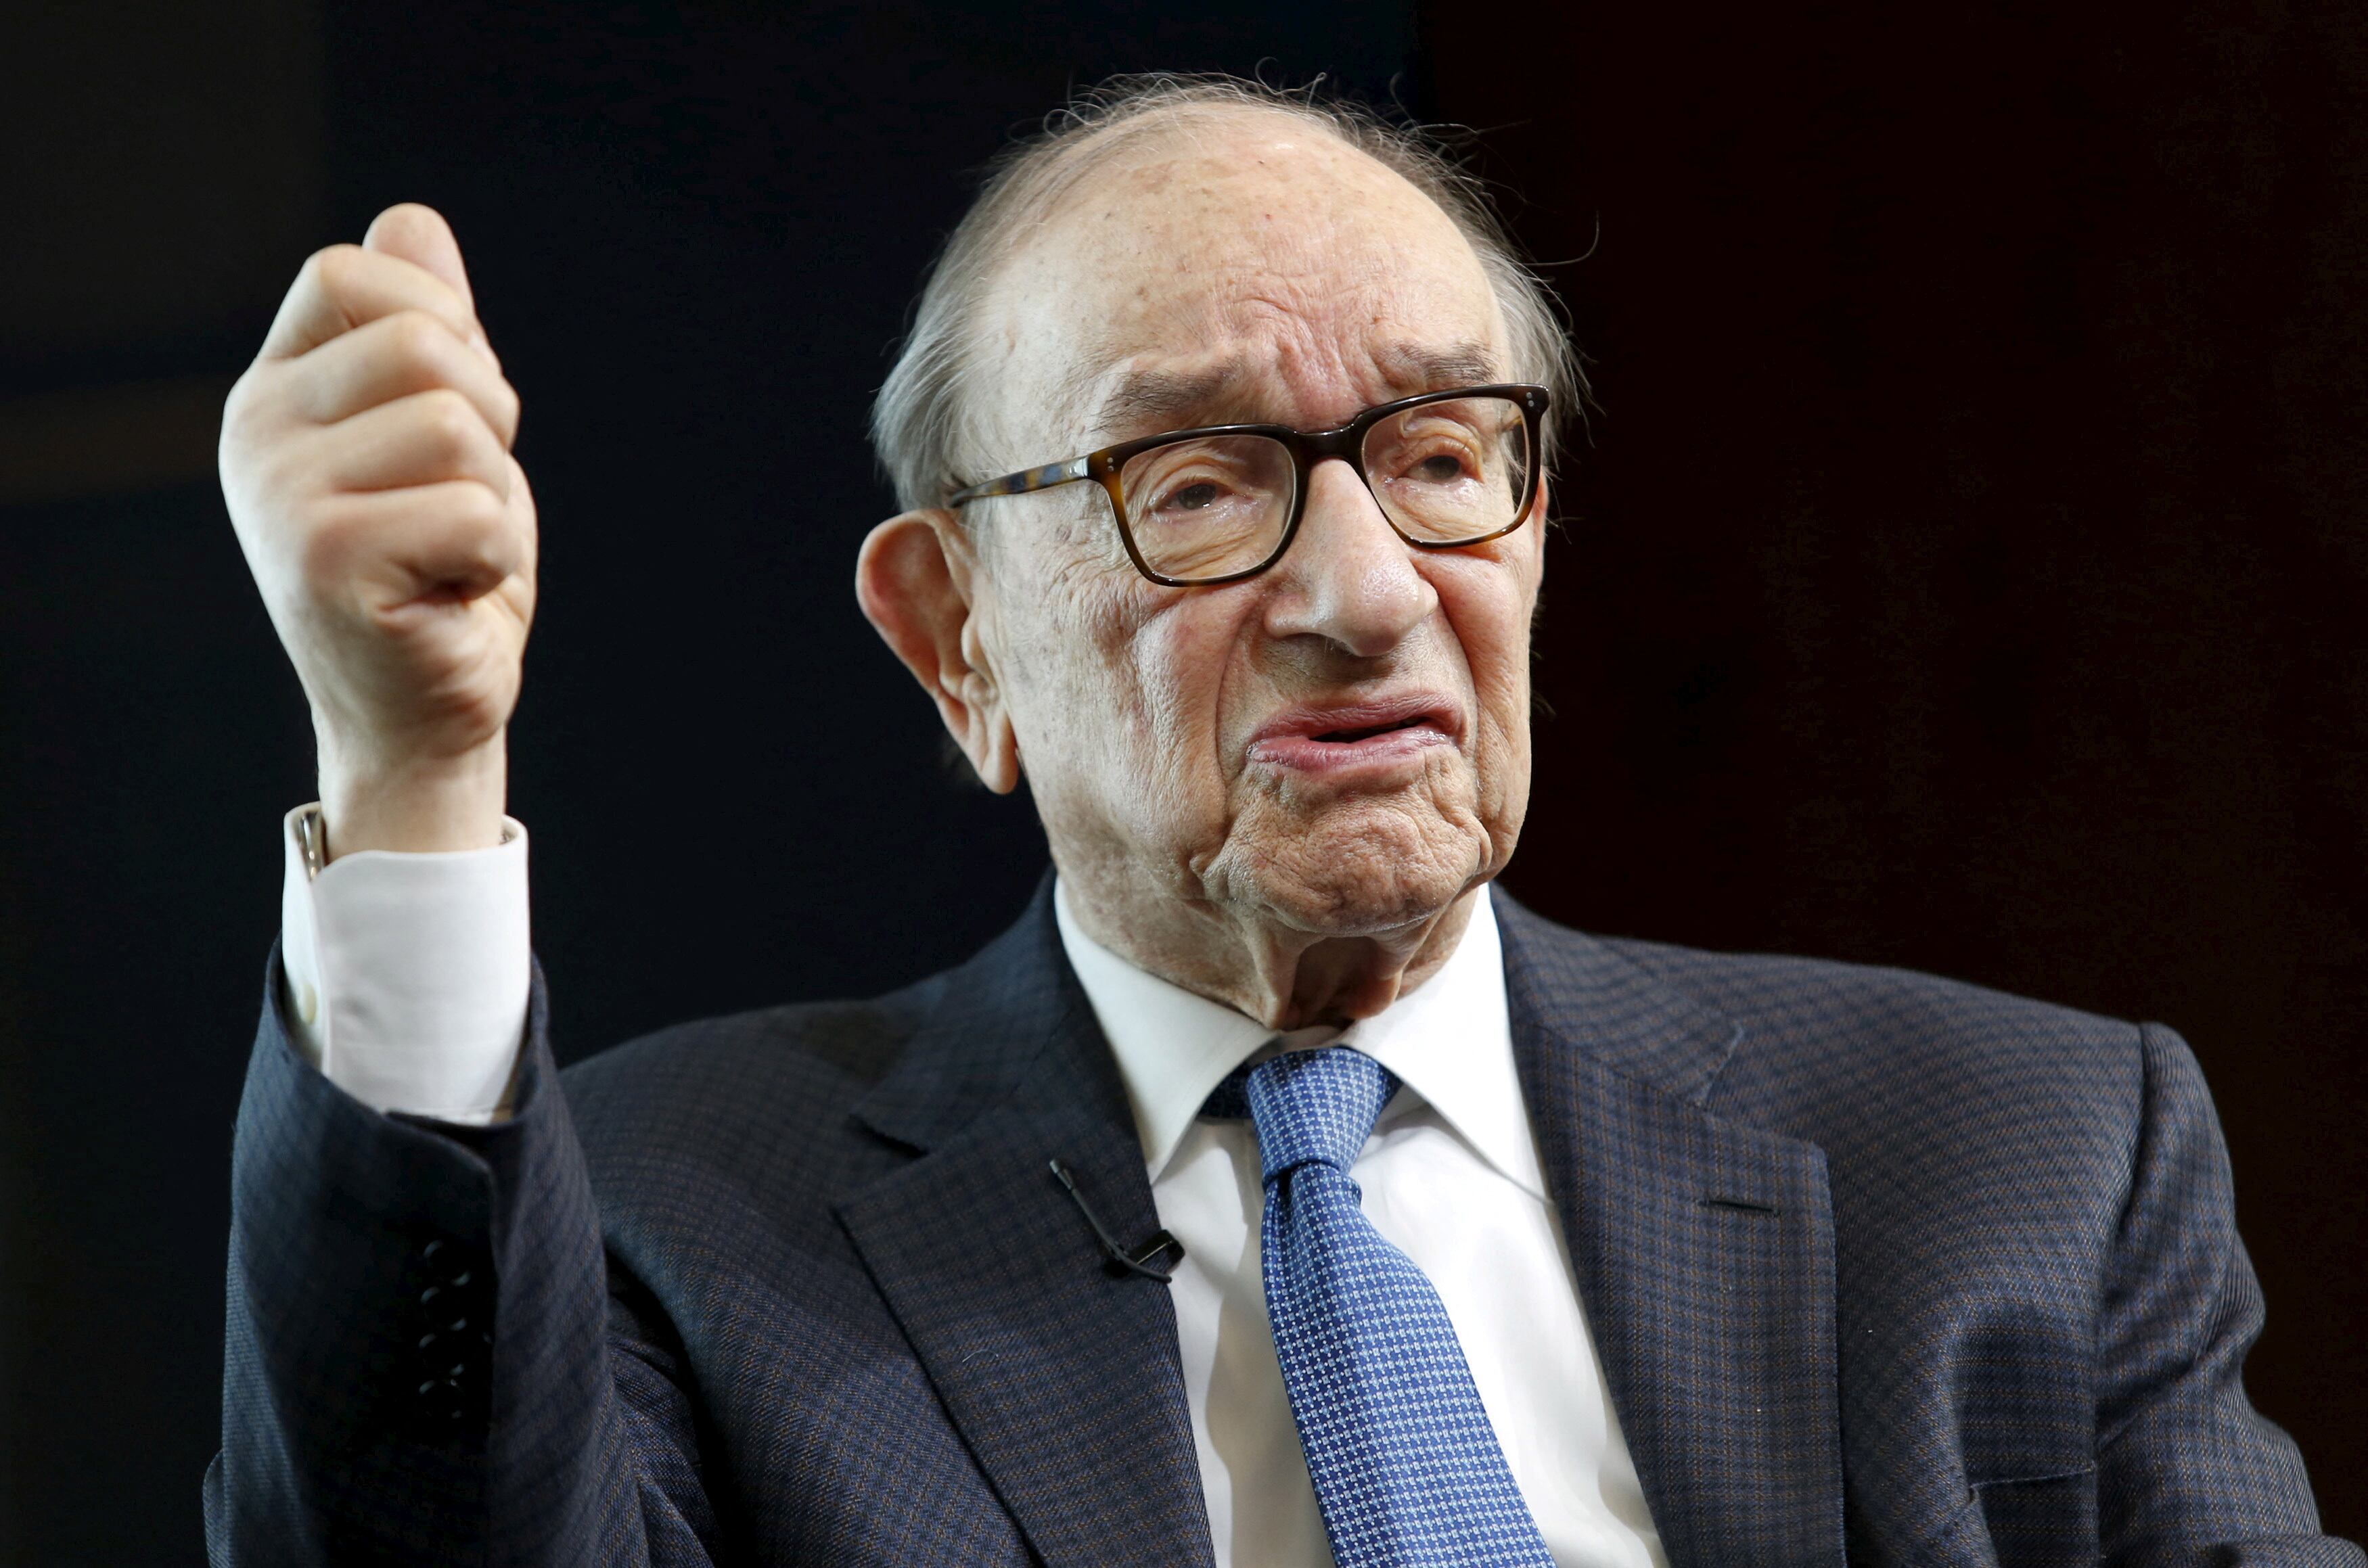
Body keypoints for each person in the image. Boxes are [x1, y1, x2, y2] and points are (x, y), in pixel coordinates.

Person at [205, 74, 2357, 1567]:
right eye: (1199, 485)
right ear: (954, 638)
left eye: (1439, 459)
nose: (1365, 593)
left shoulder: (2015, 1160)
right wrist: (412, 765)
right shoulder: (670, 1221)